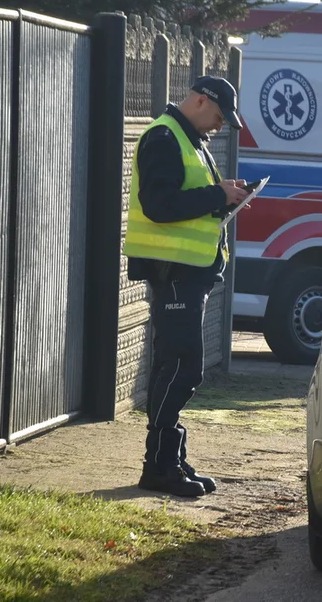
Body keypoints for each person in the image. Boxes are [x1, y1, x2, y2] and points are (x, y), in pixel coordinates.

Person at [124, 76, 250, 497]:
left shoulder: (189, 138)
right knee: (182, 368)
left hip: (188, 270)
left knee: (174, 367)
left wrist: (226, 194)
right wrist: (218, 195)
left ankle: (166, 459)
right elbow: (159, 206)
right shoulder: (165, 136)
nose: (218, 126)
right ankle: (158, 465)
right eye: (218, 116)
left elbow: (188, 198)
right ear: (200, 101)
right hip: (173, 271)